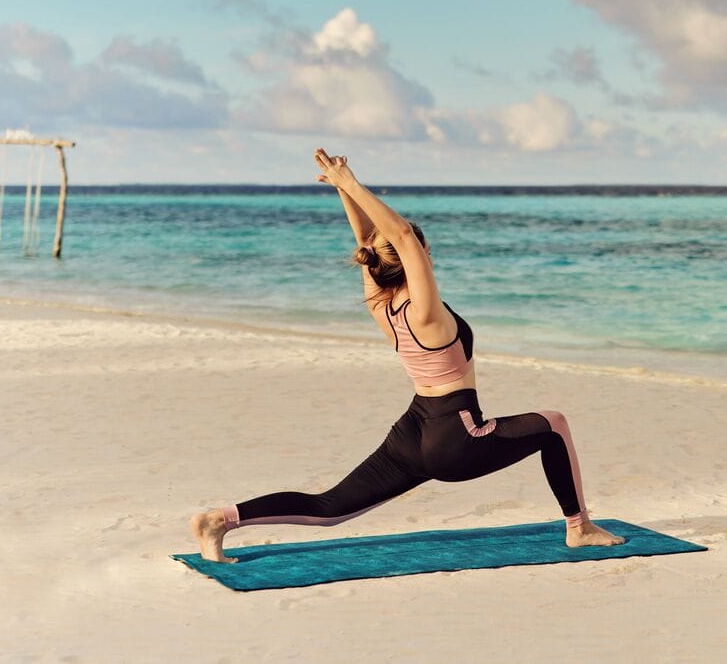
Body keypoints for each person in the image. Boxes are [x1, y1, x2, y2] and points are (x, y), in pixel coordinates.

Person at [189, 148, 624, 562]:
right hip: (455, 439)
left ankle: (220, 520)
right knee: (555, 424)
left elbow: (371, 243)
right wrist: (351, 182)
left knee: (330, 507)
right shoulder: (426, 311)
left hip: (412, 432)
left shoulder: (383, 306)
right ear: (420, 255)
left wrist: (342, 190)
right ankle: (579, 527)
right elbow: (396, 235)